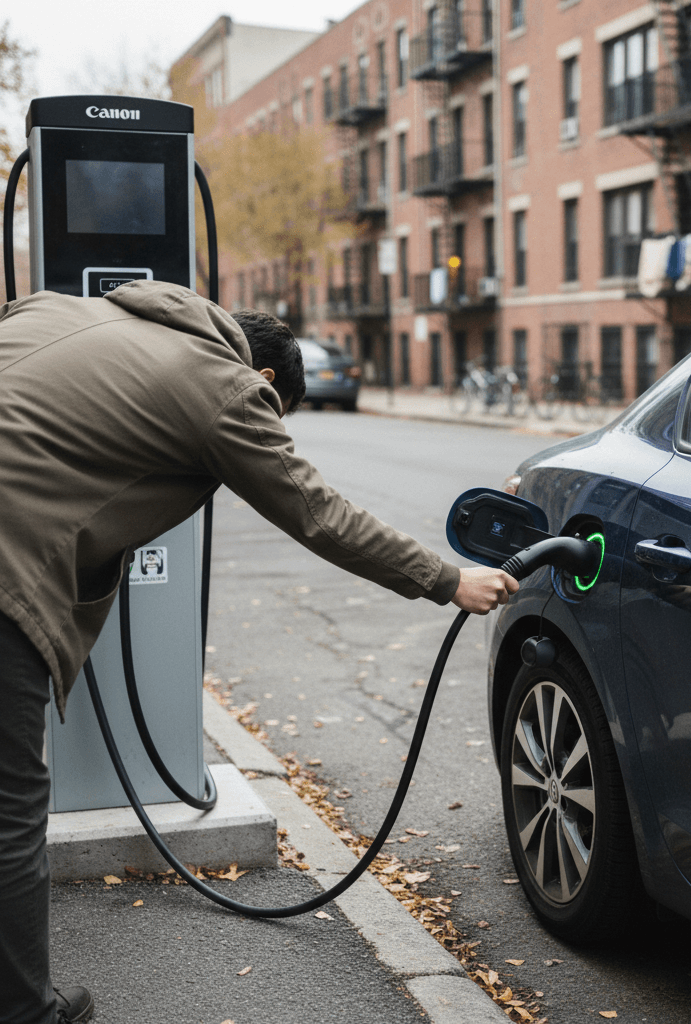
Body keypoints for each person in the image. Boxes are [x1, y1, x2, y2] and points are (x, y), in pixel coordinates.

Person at [0, 280, 518, 1024]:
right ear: (267, 381)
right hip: (8, 573)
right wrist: (446, 578)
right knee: (11, 813)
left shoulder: (59, 307)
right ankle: (22, 1012)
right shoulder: (226, 388)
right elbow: (316, 511)